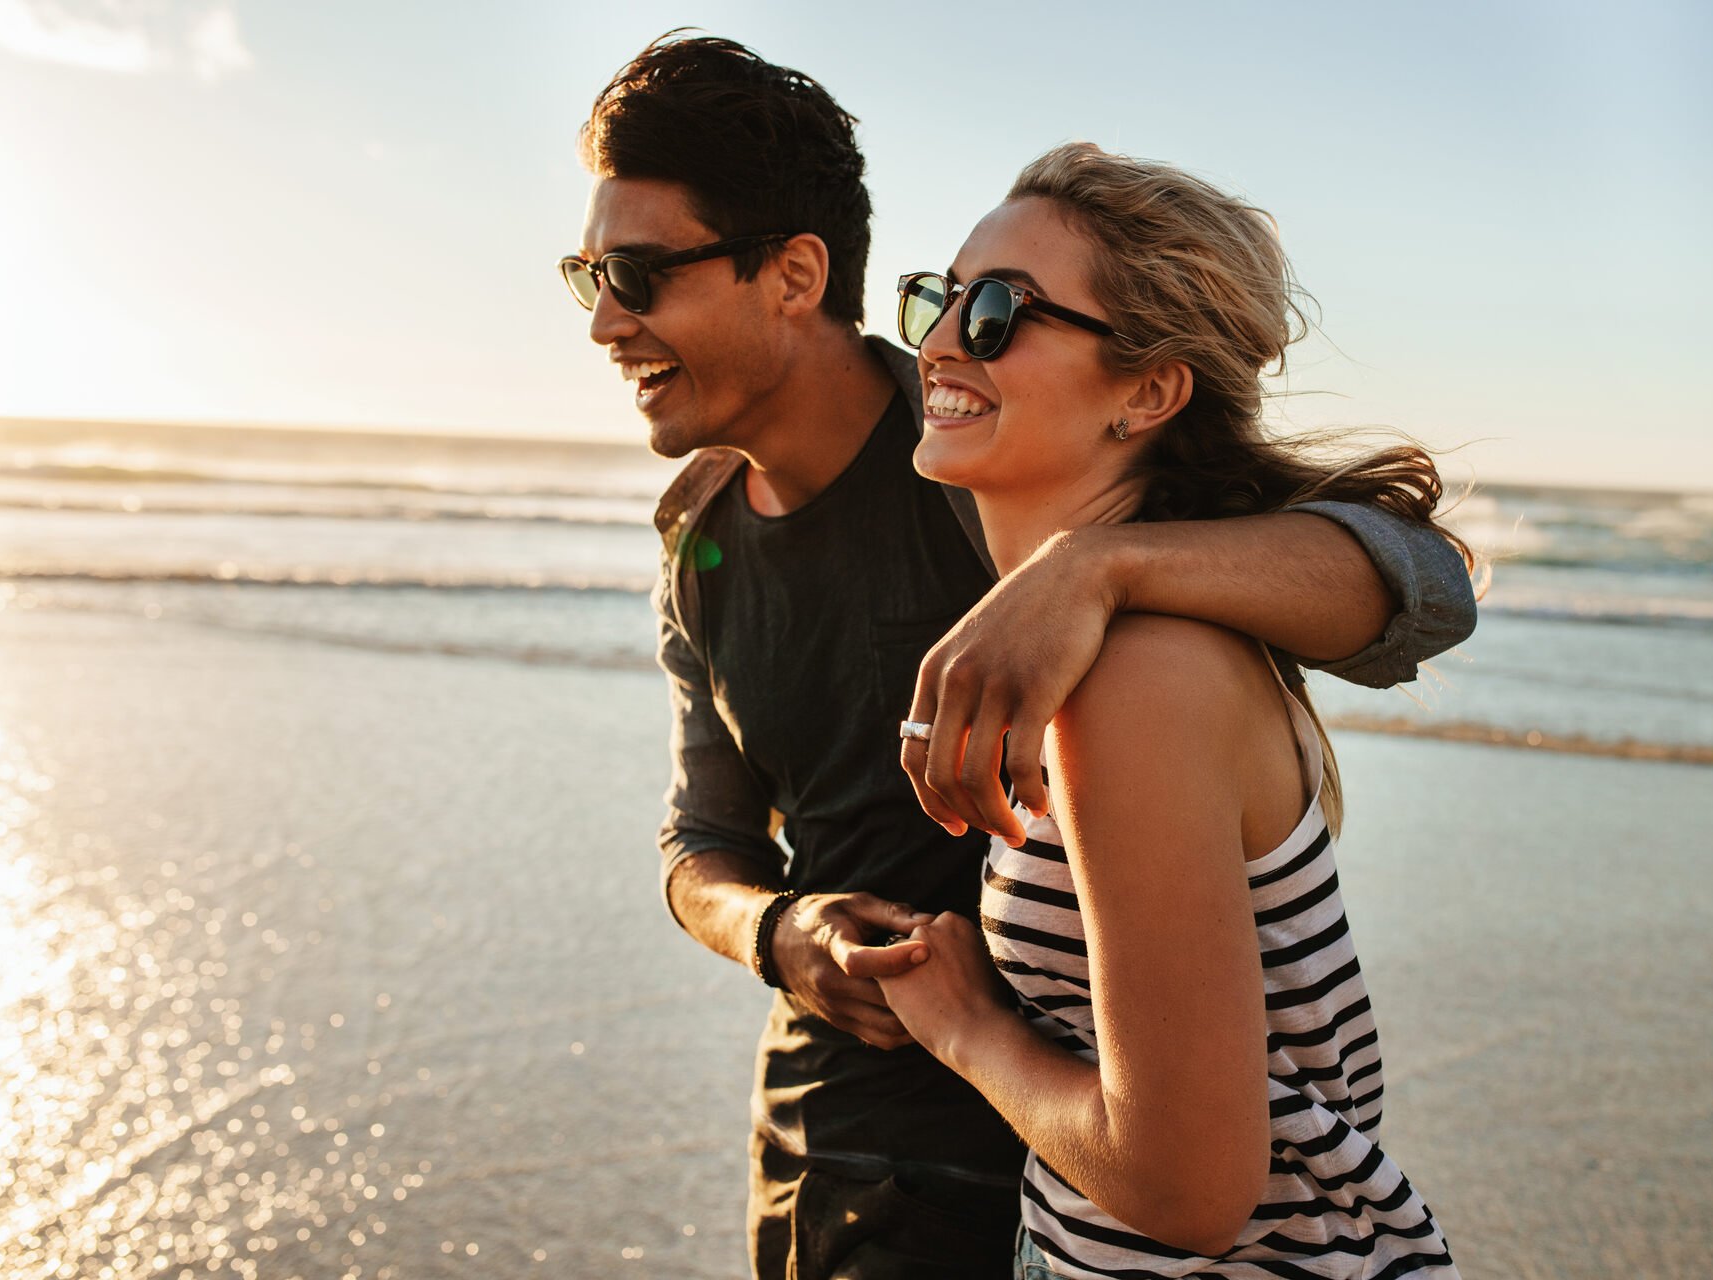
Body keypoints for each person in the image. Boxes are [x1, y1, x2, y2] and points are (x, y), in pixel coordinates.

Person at [560, 33, 1475, 1280]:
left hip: (1029, 1170)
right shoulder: (700, 541)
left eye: (638, 272)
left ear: (792, 274)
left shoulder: (991, 465)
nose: (606, 318)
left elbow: (1423, 587)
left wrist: (1096, 569)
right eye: (589, 274)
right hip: (840, 1142)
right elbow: (699, 840)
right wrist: (782, 931)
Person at [874, 145, 1463, 1279]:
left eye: (996, 311)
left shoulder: (1133, 677)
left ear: (1147, 390)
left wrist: (964, 1024)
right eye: (939, 298)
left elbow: (1189, 1190)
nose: (942, 341)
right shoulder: (1119, 635)